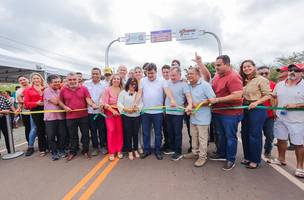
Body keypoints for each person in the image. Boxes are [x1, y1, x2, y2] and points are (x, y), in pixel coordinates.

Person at [208, 55, 243, 171]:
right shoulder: (217, 76)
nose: (216, 67)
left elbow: (238, 95)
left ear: (227, 65)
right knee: (220, 134)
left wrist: (218, 100)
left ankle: (230, 159)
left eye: (218, 65)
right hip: (218, 111)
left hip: (230, 113)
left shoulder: (233, 77)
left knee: (230, 137)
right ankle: (221, 153)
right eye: (215, 65)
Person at [270, 63, 304, 178]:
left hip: (297, 120)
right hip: (280, 118)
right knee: (281, 139)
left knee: (299, 144)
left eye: (296, 70)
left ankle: (299, 167)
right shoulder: (280, 84)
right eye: (290, 70)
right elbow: (273, 97)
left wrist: (296, 105)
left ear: (301, 73)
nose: (292, 72)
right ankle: (281, 159)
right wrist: (274, 110)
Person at [137, 63, 176, 160]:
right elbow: (139, 93)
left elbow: (167, 90)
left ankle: (158, 151)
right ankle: (146, 150)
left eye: (152, 73)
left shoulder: (162, 80)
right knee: (146, 132)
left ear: (156, 72)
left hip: (158, 112)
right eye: (148, 73)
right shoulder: (142, 80)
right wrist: (135, 102)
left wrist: (172, 99)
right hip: (145, 112)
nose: (150, 75)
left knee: (158, 132)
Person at [239, 60, 271, 169]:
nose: (246, 68)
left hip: (257, 109)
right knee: (244, 133)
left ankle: (255, 160)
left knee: (254, 134)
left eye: (249, 66)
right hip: (245, 108)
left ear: (254, 67)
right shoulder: (243, 80)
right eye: (244, 67)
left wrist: (256, 103)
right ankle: (247, 157)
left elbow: (268, 95)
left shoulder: (261, 80)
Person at [59, 72, 98, 161]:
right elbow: (60, 101)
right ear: (67, 80)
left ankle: (85, 151)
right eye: (70, 80)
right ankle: (73, 151)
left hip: (83, 116)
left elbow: (88, 99)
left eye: (74, 79)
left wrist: (92, 105)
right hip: (70, 117)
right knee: (73, 135)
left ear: (78, 80)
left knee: (85, 135)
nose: (72, 81)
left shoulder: (84, 88)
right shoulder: (63, 90)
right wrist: (65, 107)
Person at [183, 67, 215, 167]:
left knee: (202, 138)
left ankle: (202, 157)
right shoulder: (188, 86)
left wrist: (200, 104)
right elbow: (189, 100)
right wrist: (188, 107)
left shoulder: (205, 85)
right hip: (193, 117)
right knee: (194, 136)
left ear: (198, 75)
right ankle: (194, 153)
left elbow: (213, 99)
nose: (189, 76)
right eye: (188, 74)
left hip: (203, 118)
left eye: (191, 74)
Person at [165, 67, 192, 161]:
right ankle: (172, 148)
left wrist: (190, 105)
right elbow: (167, 91)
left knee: (177, 133)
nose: (172, 77)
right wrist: (171, 100)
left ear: (179, 75)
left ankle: (178, 151)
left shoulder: (184, 84)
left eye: (174, 75)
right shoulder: (167, 83)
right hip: (168, 112)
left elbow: (188, 96)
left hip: (178, 113)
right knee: (170, 131)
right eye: (170, 75)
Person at [84, 68, 108, 156]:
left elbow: (104, 96)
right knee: (93, 131)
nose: (95, 75)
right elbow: (86, 96)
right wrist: (92, 104)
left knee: (102, 130)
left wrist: (102, 104)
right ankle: (95, 147)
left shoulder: (105, 84)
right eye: (93, 73)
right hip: (90, 111)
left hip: (101, 111)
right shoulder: (86, 83)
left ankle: (102, 146)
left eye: (97, 73)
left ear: (100, 74)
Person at [118, 78, 142, 160]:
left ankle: (135, 149)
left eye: (135, 84)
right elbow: (119, 103)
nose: (133, 85)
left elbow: (141, 103)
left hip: (136, 116)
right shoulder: (123, 93)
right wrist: (125, 109)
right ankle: (130, 151)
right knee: (128, 134)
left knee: (135, 133)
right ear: (128, 84)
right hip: (126, 116)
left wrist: (137, 108)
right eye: (131, 84)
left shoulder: (138, 93)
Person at [23, 73, 47, 156]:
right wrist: (36, 103)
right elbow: (26, 104)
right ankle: (42, 149)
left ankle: (49, 146)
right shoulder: (28, 90)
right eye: (34, 78)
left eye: (38, 78)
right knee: (39, 129)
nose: (36, 80)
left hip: (47, 109)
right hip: (35, 110)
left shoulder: (46, 88)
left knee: (48, 129)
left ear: (41, 79)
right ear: (31, 80)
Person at [44, 74, 67, 161]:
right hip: (50, 118)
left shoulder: (60, 90)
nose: (57, 83)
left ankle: (61, 150)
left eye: (58, 82)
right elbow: (56, 102)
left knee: (62, 135)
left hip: (61, 117)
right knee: (51, 136)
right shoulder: (47, 91)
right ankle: (54, 152)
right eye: (55, 82)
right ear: (49, 83)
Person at [102, 74, 124, 161]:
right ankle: (111, 151)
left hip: (120, 112)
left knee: (119, 131)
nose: (116, 80)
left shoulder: (122, 90)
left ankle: (119, 150)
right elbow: (104, 102)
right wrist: (113, 111)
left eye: (118, 79)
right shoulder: (107, 89)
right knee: (111, 130)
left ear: (120, 80)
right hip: (110, 112)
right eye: (114, 79)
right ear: (112, 80)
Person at [257, 66, 276, 158]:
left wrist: (276, 112)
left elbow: (277, 100)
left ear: (269, 74)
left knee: (270, 136)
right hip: (256, 115)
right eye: (261, 74)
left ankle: (267, 150)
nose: (264, 75)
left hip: (270, 116)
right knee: (256, 135)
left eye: (266, 73)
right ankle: (255, 154)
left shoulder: (274, 85)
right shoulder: (254, 84)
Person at [16, 75, 37, 156]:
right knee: (28, 129)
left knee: (39, 128)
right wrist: (19, 108)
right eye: (20, 80)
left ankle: (44, 144)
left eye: (24, 79)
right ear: (19, 82)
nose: (23, 81)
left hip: (36, 111)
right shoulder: (19, 91)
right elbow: (19, 102)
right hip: (26, 113)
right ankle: (30, 146)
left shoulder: (34, 86)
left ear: (28, 79)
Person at [161, 64, 170, 153]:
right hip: (162, 109)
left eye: (167, 72)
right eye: (164, 72)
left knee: (170, 128)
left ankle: (171, 145)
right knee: (165, 128)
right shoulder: (161, 82)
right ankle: (166, 143)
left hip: (171, 110)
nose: (166, 74)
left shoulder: (173, 81)